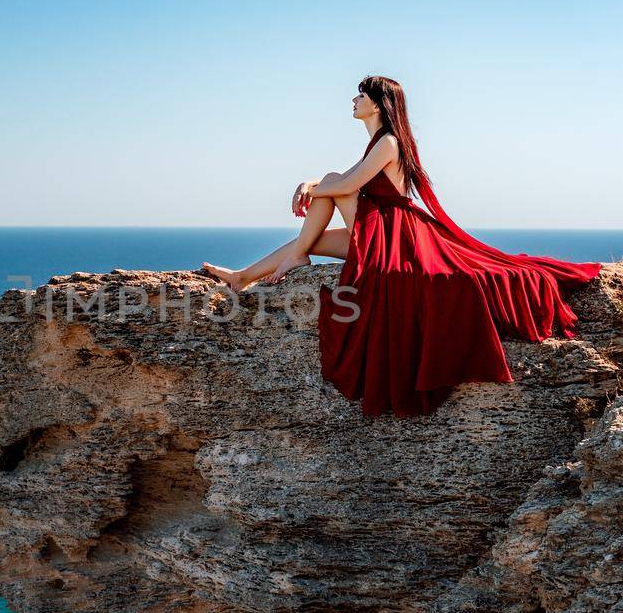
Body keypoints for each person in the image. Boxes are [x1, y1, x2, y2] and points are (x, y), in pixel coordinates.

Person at [200, 76, 602, 417]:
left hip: (393, 231)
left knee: (328, 180)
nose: (354, 100)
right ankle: (243, 276)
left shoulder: (389, 142)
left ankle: (295, 255)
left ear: (378, 104)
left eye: (361, 95)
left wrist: (309, 184)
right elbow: (345, 187)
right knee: (316, 231)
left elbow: (345, 186)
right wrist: (320, 185)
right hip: (377, 226)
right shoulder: (379, 140)